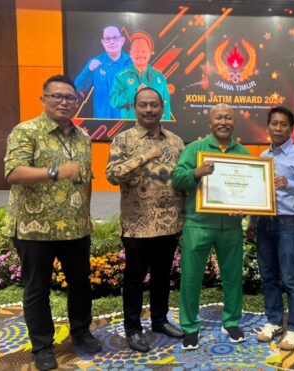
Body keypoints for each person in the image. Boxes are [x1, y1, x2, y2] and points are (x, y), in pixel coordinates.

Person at [4, 75, 101, 371]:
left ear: (76, 102)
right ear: (43, 99)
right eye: (56, 96)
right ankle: (42, 346)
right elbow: (13, 173)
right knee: (37, 288)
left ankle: (81, 333)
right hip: (35, 229)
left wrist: (87, 215)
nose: (63, 102)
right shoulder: (26, 131)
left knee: (80, 285)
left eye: (69, 97)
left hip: (75, 228)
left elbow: (85, 180)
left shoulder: (82, 136)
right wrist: (55, 172)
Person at [105, 88, 185, 352]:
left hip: (168, 223)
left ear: (162, 107)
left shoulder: (175, 141)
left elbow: (182, 181)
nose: (148, 109)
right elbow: (113, 175)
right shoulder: (123, 139)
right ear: (134, 108)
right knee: (134, 280)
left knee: (162, 277)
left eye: (154, 105)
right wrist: (144, 156)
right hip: (137, 225)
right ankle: (133, 328)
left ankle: (160, 321)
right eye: (143, 105)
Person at [173, 103, 250, 350]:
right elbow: (177, 178)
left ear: (234, 122)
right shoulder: (194, 149)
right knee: (191, 278)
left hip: (231, 226)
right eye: (219, 117)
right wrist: (196, 172)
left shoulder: (244, 153)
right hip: (198, 223)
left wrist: (245, 206)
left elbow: (250, 192)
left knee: (233, 277)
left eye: (228, 117)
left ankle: (231, 321)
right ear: (210, 122)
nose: (224, 121)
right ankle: (190, 327)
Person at [246, 107, 294, 350]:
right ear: (268, 126)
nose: (278, 128)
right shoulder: (263, 156)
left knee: (290, 277)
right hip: (264, 223)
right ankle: (274, 320)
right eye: (274, 123)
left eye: (283, 124)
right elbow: (258, 193)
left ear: (291, 129)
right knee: (267, 275)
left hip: (288, 222)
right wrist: (252, 222)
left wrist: (289, 184)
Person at [110, 31, 172, 120]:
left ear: (149, 53)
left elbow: (166, 106)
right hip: (130, 129)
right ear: (130, 53)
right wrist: (134, 93)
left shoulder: (159, 77)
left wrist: (164, 128)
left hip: (154, 130)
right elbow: (114, 101)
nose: (140, 54)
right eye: (136, 51)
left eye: (143, 51)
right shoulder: (121, 77)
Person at [74, 24, 132, 119]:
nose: (111, 42)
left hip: (127, 120)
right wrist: (89, 71)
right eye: (108, 39)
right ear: (103, 42)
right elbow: (78, 88)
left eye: (115, 38)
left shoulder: (132, 63)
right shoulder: (95, 63)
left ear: (122, 40)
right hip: (102, 120)